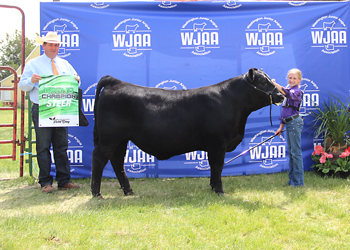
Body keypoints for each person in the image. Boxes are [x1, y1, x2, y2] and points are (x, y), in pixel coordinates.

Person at [19, 32, 80, 193]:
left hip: (61, 109)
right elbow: (22, 86)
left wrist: (77, 79)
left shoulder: (64, 64)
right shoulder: (33, 64)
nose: (54, 48)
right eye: (51, 45)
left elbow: (76, 79)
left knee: (61, 146)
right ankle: (45, 182)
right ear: (43, 46)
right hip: (42, 108)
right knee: (43, 146)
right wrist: (31, 81)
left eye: (56, 45)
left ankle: (64, 180)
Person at [272, 68, 304, 187]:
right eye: (290, 78)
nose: (292, 80)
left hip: (294, 123)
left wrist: (275, 84)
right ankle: (292, 180)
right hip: (289, 123)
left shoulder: (297, 91)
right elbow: (284, 111)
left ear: (299, 80)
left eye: (294, 78)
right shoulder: (289, 89)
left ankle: (298, 182)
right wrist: (281, 126)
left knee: (295, 153)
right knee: (291, 153)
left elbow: (288, 94)